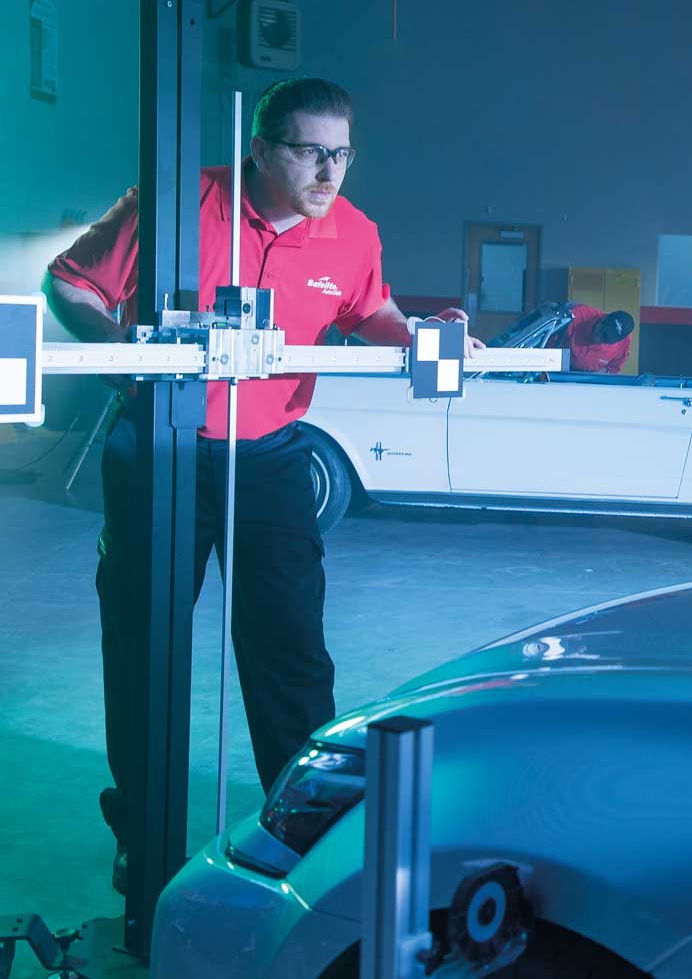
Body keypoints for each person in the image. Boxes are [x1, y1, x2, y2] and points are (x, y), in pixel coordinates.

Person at [43, 77, 481, 894]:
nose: (330, 172)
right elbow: (70, 283)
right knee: (144, 649)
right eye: (310, 151)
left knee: (291, 655)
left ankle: (307, 834)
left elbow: (369, 309)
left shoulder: (353, 231)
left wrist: (421, 335)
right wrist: (128, 373)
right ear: (260, 147)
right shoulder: (175, 205)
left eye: (342, 153)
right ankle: (141, 830)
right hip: (161, 454)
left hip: (272, 458)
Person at [558, 304, 635, 373]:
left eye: (605, 338)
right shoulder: (577, 314)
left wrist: (590, 380)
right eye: (601, 329)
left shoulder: (624, 344)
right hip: (560, 363)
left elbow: (611, 368)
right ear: (602, 319)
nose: (598, 337)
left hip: (588, 378)